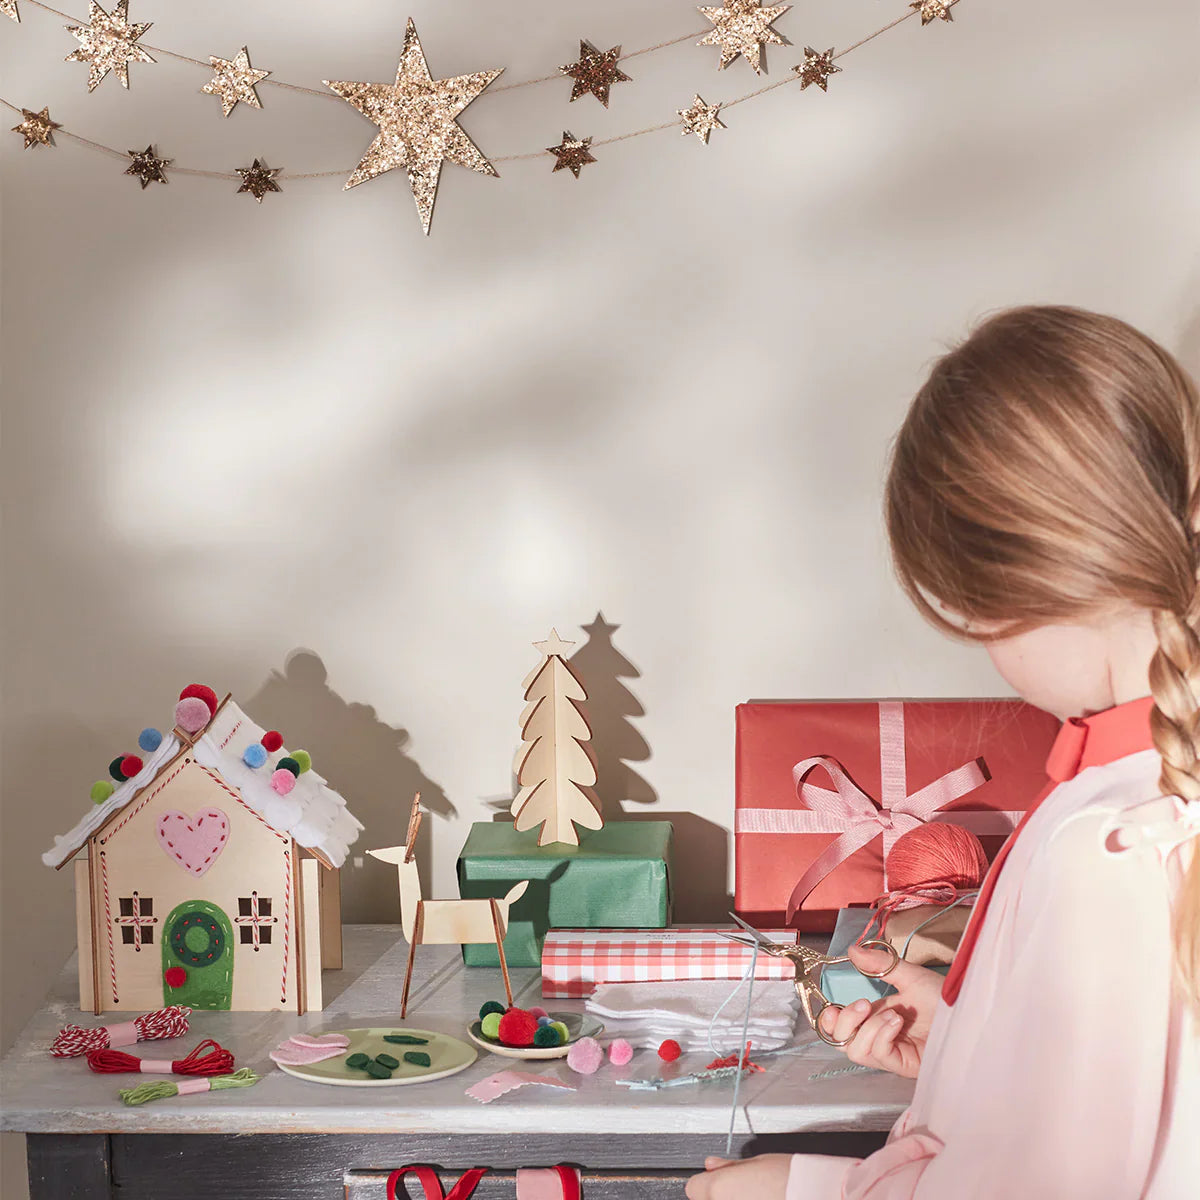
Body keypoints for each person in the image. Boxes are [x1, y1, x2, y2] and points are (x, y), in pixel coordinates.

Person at [687, 306, 1200, 1199]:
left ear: (1023, 585)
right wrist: (968, 1042)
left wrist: (792, 1188)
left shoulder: (1108, 841)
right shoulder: (1135, 790)